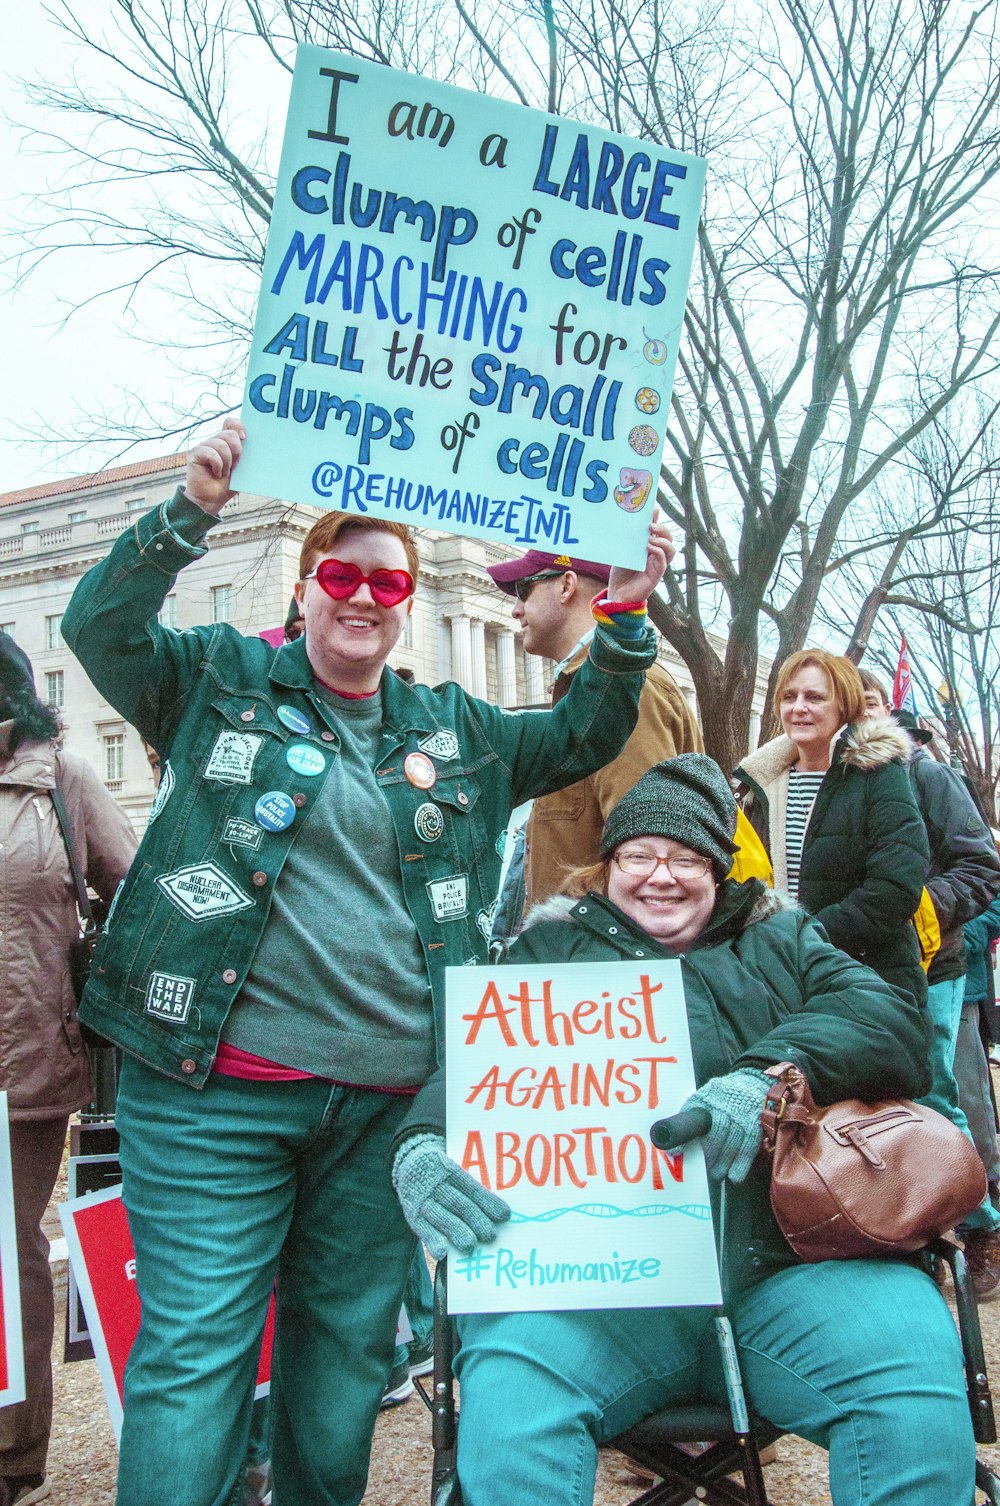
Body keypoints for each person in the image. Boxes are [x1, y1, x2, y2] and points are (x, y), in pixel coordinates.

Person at [60, 416, 670, 1506]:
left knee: (343, 1369)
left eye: (387, 585)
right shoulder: (215, 679)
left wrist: (620, 613)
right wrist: (190, 508)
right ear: (303, 591)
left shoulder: (457, 729)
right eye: (341, 575)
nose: (365, 596)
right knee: (195, 1366)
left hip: (388, 1110)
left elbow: (583, 731)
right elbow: (98, 627)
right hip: (212, 1098)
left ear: (403, 608)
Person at [390, 754, 973, 1506]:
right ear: (608, 864)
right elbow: (472, 1081)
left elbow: (889, 1023)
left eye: (686, 858)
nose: (659, 876)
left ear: (719, 870)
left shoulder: (783, 940)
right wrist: (421, 1143)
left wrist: (769, 1075)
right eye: (639, 855)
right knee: (510, 1405)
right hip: (595, 1296)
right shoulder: (543, 951)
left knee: (912, 1381)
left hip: (792, 1269)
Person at [0, 633, 136, 1506]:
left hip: (21, 1059)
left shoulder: (62, 778)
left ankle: (10, 1456)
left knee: (8, 1257)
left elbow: (139, 888)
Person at [858, 670, 1000, 1293]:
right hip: (848, 962)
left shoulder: (926, 774)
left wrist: (920, 912)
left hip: (931, 964)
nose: (854, 715)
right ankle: (898, 1227)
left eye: (866, 703)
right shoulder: (822, 780)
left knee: (937, 1094)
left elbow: (980, 864)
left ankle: (982, 1226)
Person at [486, 548, 702, 923]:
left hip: (604, 963)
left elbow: (650, 860)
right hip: (577, 955)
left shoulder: (634, 691)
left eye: (524, 590)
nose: (515, 610)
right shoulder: (585, 687)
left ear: (567, 585)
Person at [733, 648, 928, 1001]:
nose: (799, 707)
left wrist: (804, 938)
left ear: (845, 707)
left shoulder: (879, 775)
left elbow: (895, 888)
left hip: (868, 978)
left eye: (815, 697)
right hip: (778, 980)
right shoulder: (758, 784)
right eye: (789, 697)